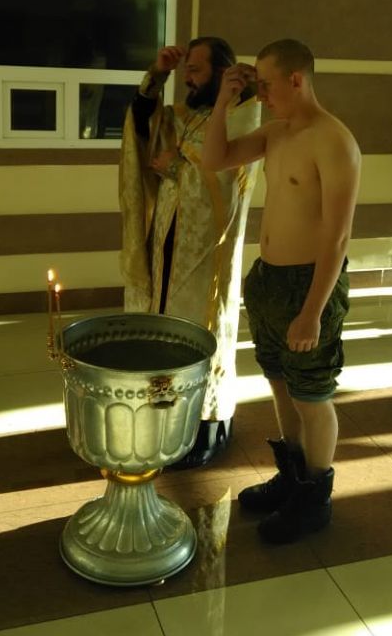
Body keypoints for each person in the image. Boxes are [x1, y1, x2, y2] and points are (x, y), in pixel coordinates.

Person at [202, 38, 361, 544]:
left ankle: (314, 499)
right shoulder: (276, 133)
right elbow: (215, 159)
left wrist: (313, 311)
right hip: (269, 281)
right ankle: (291, 478)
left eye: (267, 85)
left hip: (308, 285)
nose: (262, 95)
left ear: (296, 79)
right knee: (279, 385)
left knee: (312, 396)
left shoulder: (333, 141)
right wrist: (222, 102)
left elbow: (337, 237)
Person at [119, 37, 260, 467]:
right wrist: (156, 75)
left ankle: (204, 431)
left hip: (205, 257)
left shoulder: (241, 116)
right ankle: (165, 416)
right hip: (165, 243)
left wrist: (178, 167)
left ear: (221, 72)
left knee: (201, 333)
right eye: (185, 72)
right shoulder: (182, 117)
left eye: (195, 70)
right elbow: (141, 129)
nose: (188, 79)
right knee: (163, 329)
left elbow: (228, 184)